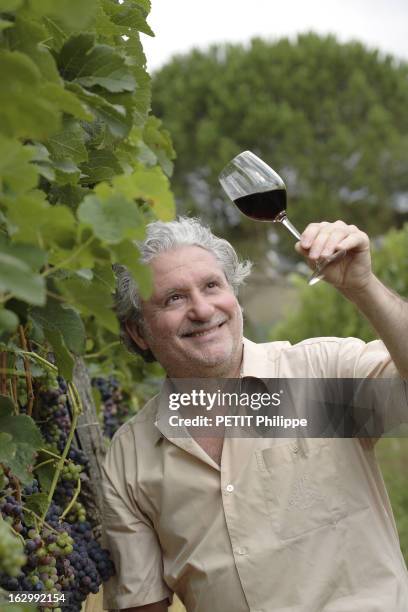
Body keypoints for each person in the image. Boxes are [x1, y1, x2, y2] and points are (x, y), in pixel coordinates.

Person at [101, 217, 408, 612]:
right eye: (173, 298)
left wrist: (363, 287)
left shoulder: (320, 374)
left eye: (212, 285)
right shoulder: (130, 457)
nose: (201, 308)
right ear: (139, 332)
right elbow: (140, 605)